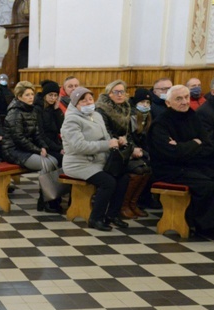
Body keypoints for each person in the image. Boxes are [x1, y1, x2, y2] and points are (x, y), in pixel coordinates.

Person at [148, 85, 214, 241]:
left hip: (194, 165)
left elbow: (208, 146)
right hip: (170, 170)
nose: (184, 102)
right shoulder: (161, 124)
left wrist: (184, 147)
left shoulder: (193, 117)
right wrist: (194, 144)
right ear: (168, 103)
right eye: (179, 98)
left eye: (186, 97)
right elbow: (171, 154)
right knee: (207, 187)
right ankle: (204, 227)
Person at [61, 87, 130, 232]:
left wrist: (117, 141)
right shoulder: (71, 121)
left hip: (98, 160)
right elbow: (79, 146)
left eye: (90, 99)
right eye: (83, 100)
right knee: (108, 182)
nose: (88, 103)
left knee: (123, 177)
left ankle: (112, 215)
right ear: (75, 103)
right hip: (78, 163)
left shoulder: (97, 115)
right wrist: (106, 145)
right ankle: (96, 218)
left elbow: (105, 137)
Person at [95, 80, 151, 219]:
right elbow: (106, 134)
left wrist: (134, 148)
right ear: (109, 93)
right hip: (110, 150)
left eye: (123, 92)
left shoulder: (125, 108)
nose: (120, 95)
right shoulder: (101, 110)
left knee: (147, 168)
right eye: (116, 92)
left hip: (124, 147)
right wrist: (129, 149)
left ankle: (132, 203)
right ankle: (122, 206)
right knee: (137, 170)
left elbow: (127, 134)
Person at [2, 81, 60, 212]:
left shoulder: (32, 110)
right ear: (19, 96)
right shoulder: (14, 113)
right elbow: (18, 138)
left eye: (32, 94)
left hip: (26, 149)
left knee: (54, 161)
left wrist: (43, 146)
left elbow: (37, 134)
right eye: (27, 95)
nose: (31, 97)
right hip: (13, 150)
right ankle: (45, 201)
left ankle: (50, 198)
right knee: (46, 164)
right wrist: (38, 150)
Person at [33, 80, 64, 165]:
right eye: (50, 95)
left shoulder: (53, 109)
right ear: (44, 95)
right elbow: (41, 134)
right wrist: (58, 148)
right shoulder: (37, 109)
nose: (53, 98)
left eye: (55, 95)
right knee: (62, 158)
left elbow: (60, 129)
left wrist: (57, 110)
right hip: (43, 145)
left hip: (54, 143)